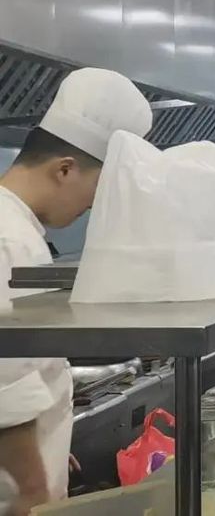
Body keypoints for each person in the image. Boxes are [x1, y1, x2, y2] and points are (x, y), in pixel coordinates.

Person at [0, 68, 152, 514]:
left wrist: (48, 442)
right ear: (65, 169)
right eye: (94, 191)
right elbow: (5, 382)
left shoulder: (18, 228)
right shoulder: (10, 238)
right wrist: (32, 484)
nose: (91, 206)